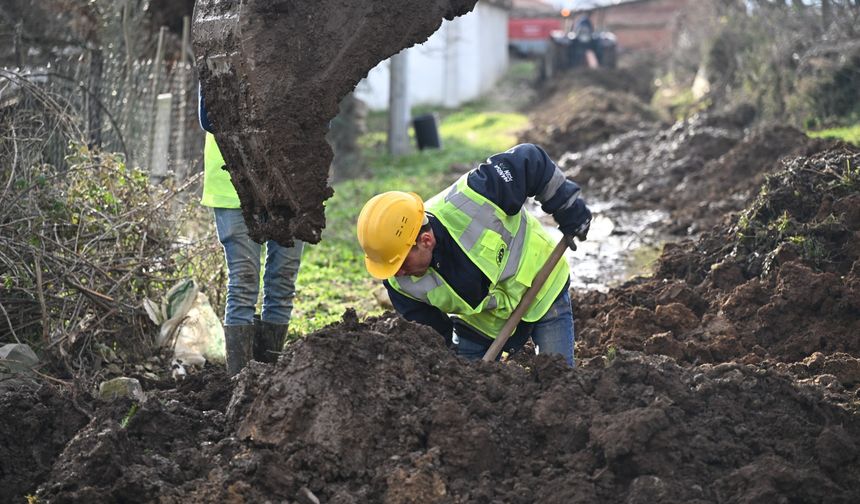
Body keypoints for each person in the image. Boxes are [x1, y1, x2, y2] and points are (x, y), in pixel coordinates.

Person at [356, 144, 591, 366]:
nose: (399, 273)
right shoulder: (398, 283)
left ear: (425, 241)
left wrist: (568, 208)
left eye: (401, 262)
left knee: (559, 378)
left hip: (542, 288)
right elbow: (431, 338)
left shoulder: (477, 196)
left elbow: (530, 159)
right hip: (482, 324)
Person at [199, 90, 304, 375]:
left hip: (290, 180)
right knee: (244, 282)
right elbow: (209, 118)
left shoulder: (301, 49)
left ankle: (267, 377)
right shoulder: (224, 48)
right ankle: (240, 385)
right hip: (233, 180)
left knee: (282, 281)